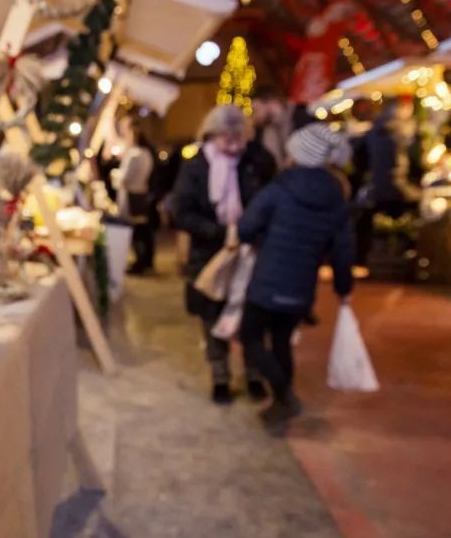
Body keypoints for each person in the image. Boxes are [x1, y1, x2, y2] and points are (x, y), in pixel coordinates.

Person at [237, 123, 355, 425]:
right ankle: (281, 404)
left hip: (267, 281)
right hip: (302, 286)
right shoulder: (337, 197)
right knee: (281, 341)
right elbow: (343, 250)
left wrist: (262, 238)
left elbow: (245, 228)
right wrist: (343, 288)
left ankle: (284, 393)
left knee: (250, 336)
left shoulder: (279, 188)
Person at [168, 105, 273, 404]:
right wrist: (219, 232)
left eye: (239, 138)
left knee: (251, 314)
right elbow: (181, 212)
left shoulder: (256, 160)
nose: (235, 146)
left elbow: (269, 199)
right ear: (211, 135)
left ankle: (254, 374)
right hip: (209, 251)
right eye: (227, 139)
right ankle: (220, 376)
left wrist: (250, 230)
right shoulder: (196, 166)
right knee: (211, 314)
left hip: (251, 249)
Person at [113, 119, 156, 274]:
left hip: (132, 196)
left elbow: (124, 179)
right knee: (143, 230)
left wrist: (115, 175)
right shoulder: (147, 154)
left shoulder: (134, 155)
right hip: (141, 194)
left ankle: (140, 262)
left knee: (136, 232)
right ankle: (146, 261)